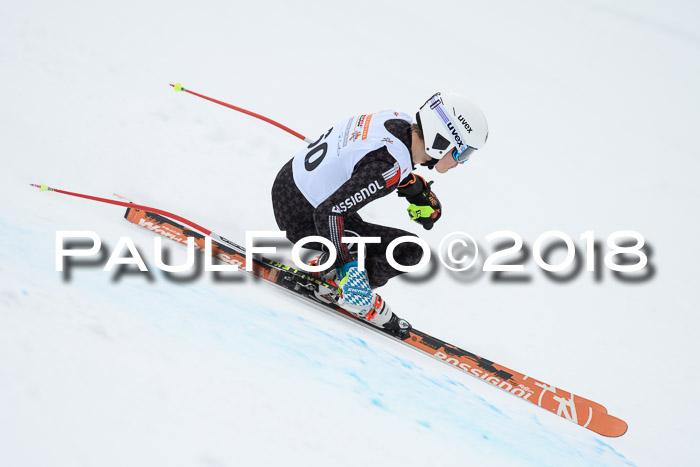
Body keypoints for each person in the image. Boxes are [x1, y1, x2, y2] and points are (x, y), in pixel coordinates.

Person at [271, 92, 488, 339]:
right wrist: (349, 270)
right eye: (462, 153)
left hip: (289, 184)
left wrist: (414, 189)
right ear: (441, 140)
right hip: (301, 216)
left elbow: (367, 157)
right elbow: (329, 213)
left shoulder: (398, 121)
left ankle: (330, 272)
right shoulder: (387, 167)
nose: (460, 162)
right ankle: (345, 288)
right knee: (409, 251)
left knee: (376, 241)